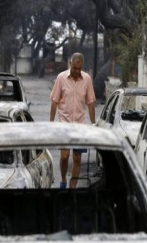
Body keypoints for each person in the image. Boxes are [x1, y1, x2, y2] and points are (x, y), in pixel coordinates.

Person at [50, 52, 96, 189]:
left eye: (79, 68)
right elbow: (54, 101)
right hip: (64, 124)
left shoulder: (87, 79)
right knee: (64, 156)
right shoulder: (61, 78)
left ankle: (73, 188)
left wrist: (93, 124)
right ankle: (64, 179)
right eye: (75, 68)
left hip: (80, 125)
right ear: (70, 64)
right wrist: (51, 123)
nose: (77, 71)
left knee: (77, 157)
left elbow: (91, 103)